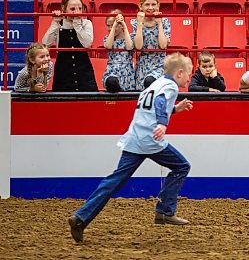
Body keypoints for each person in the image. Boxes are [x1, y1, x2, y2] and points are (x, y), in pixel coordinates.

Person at [68, 52, 194, 243]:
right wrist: (162, 123)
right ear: (179, 73)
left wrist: (175, 109)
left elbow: (152, 106)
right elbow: (160, 103)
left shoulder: (156, 83)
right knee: (182, 166)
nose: (188, 77)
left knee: (114, 181)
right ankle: (165, 211)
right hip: (150, 140)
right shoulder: (170, 86)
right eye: (188, 74)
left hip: (135, 138)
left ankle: (81, 217)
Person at [42, 0, 98, 91]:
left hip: (83, 70)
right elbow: (45, 44)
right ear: (63, 8)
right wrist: (55, 23)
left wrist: (77, 25)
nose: (76, 12)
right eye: (72, 9)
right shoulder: (59, 23)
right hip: (63, 70)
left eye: (80, 8)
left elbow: (87, 44)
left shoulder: (86, 23)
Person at [132, 0, 171, 91]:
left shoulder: (165, 21)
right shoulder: (135, 22)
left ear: (158, 5)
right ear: (141, 6)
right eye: (147, 5)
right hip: (143, 64)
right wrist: (140, 24)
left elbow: (163, 45)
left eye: (153, 4)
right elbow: (138, 47)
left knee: (151, 83)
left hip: (159, 64)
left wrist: (159, 23)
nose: (150, 8)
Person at [102, 9, 135, 92]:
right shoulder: (108, 38)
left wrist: (124, 25)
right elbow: (108, 46)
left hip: (126, 72)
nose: (109, 28)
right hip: (112, 70)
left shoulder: (130, 37)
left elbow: (129, 47)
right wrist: (114, 27)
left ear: (121, 25)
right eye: (108, 25)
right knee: (112, 82)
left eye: (113, 25)